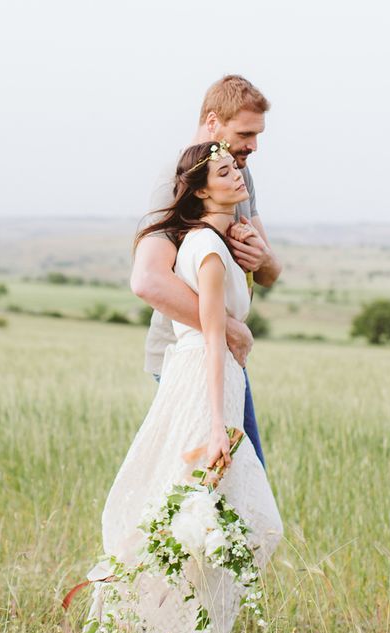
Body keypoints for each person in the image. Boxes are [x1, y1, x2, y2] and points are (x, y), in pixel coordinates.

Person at [76, 141, 283, 633]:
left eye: (236, 167)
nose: (238, 174)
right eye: (224, 170)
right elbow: (213, 339)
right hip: (203, 384)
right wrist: (218, 426)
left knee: (202, 515)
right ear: (199, 190)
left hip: (214, 380)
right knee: (230, 517)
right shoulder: (207, 251)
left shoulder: (212, 243)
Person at [131, 75, 282, 467]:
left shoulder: (236, 173)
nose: (253, 146)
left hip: (224, 354)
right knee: (217, 480)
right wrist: (229, 329)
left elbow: (269, 271)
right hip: (190, 355)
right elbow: (147, 279)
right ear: (213, 122)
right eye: (245, 133)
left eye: (257, 134)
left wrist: (261, 259)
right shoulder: (181, 178)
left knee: (232, 480)